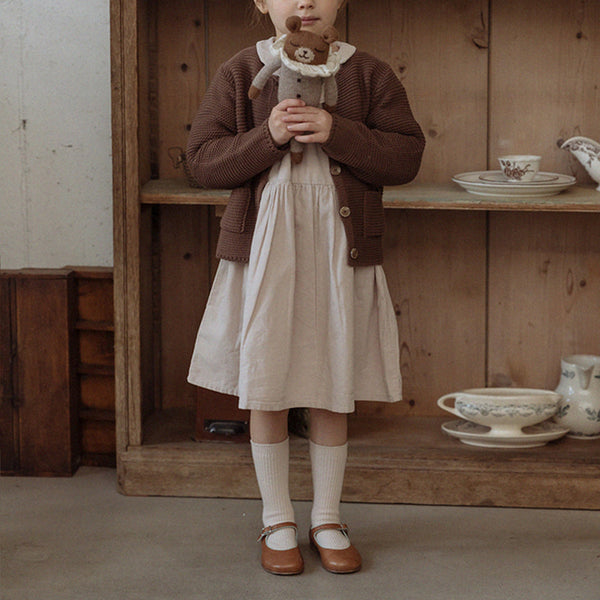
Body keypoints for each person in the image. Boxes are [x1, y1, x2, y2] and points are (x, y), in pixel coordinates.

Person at [186, 0, 425, 576]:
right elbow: (203, 161)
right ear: (262, 3)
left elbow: (405, 155)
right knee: (266, 381)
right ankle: (277, 519)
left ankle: (326, 515)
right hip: (264, 254)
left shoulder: (368, 73)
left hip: (337, 253)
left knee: (330, 380)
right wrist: (266, 135)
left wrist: (337, 132)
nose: (306, 2)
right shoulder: (243, 71)